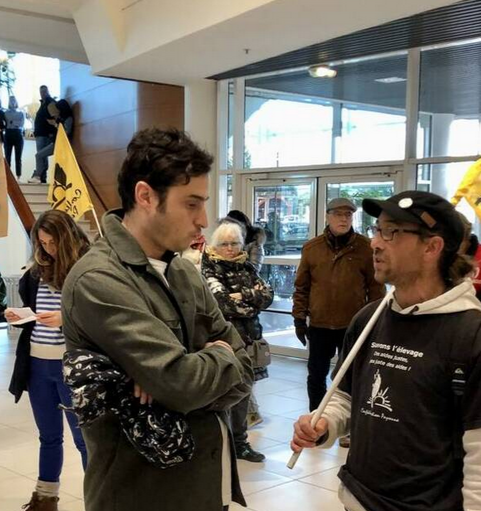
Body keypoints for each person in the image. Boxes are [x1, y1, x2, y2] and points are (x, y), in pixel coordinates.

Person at [61, 127, 254, 511]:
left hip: (206, 484)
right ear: (146, 196)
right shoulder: (98, 280)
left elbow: (244, 369)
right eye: (191, 204)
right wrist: (212, 359)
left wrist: (197, 371)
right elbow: (181, 383)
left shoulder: (182, 271)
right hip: (141, 492)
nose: (204, 220)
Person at [291, 191, 481, 511]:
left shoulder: (476, 340)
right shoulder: (369, 320)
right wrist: (324, 422)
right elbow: (346, 397)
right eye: (377, 230)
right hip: (358, 498)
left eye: (392, 232)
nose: (375, 243)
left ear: (432, 247)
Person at [7, 210, 90, 511]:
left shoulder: (88, 268)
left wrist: (66, 320)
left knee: (84, 440)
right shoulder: (35, 273)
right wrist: (20, 317)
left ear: (66, 238)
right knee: (49, 436)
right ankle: (45, 497)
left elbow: (101, 318)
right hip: (38, 365)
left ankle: (99, 498)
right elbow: (35, 314)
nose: (47, 249)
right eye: (41, 243)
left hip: (74, 366)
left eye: (52, 242)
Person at [292, 197, 385, 422]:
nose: (344, 219)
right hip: (320, 324)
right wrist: (299, 318)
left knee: (351, 376)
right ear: (328, 216)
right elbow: (301, 286)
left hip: (352, 326)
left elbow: (376, 290)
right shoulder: (312, 248)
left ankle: (349, 423)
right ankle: (316, 419)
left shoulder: (365, 247)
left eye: (348, 215)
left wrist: (376, 323)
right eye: (338, 214)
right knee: (316, 375)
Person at [200, 220, 274, 463]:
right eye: (224, 244)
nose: (230, 248)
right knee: (224, 395)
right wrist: (250, 303)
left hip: (250, 340)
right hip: (223, 343)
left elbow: (267, 295)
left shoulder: (247, 267)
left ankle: (240, 444)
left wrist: (243, 296)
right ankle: (222, 446)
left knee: (244, 393)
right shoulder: (209, 268)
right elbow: (221, 303)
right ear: (215, 245)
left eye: (235, 243)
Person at [29, 85, 57, 184]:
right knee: (41, 155)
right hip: (41, 134)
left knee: (41, 155)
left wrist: (50, 132)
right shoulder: (44, 103)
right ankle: (42, 176)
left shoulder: (50, 103)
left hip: (45, 134)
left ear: (48, 91)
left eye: (44, 91)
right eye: (41, 92)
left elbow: (54, 119)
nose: (43, 93)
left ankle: (39, 176)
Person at [0, 95, 26, 178]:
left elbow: (21, 124)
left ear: (16, 102)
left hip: (18, 134)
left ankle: (18, 176)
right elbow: (5, 123)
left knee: (18, 158)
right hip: (8, 134)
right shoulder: (5, 113)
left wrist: (12, 122)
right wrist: (15, 122)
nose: (12, 102)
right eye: (11, 101)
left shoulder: (21, 113)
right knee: (7, 157)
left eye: (14, 100)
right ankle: (7, 177)